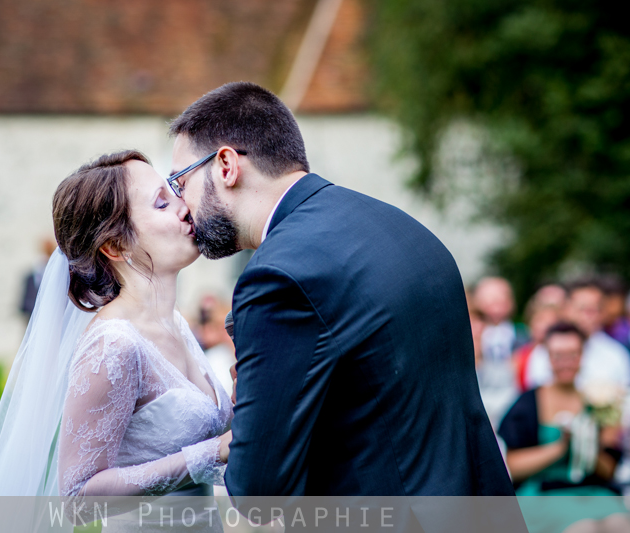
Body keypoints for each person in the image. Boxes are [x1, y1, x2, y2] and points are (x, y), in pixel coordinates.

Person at [168, 82, 520, 528]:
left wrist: (249, 403)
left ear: (225, 165)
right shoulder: (402, 228)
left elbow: (260, 492)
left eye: (181, 181)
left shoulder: (277, 276)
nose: (182, 204)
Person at [0, 151, 232, 532]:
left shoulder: (175, 323)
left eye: (174, 192)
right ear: (116, 247)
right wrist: (202, 457)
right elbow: (78, 498)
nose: (185, 207)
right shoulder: (114, 345)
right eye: (161, 202)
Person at [498, 322, 630, 533]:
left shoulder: (598, 400)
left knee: (622, 525)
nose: (565, 362)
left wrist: (586, 445)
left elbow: (609, 470)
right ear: (547, 357)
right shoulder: (528, 403)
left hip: (592, 492)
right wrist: (560, 447)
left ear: (583, 355)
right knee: (584, 529)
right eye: (558, 355)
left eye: (573, 354)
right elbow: (512, 466)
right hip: (544, 494)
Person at [526, 279, 630, 391]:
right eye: (583, 309)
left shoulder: (616, 355)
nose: (589, 316)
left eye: (595, 309)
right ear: (566, 309)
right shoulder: (543, 352)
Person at [473, 277, 529, 363]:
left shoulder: (524, 334)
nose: (497, 301)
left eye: (503, 295)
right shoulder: (473, 336)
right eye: (490, 297)